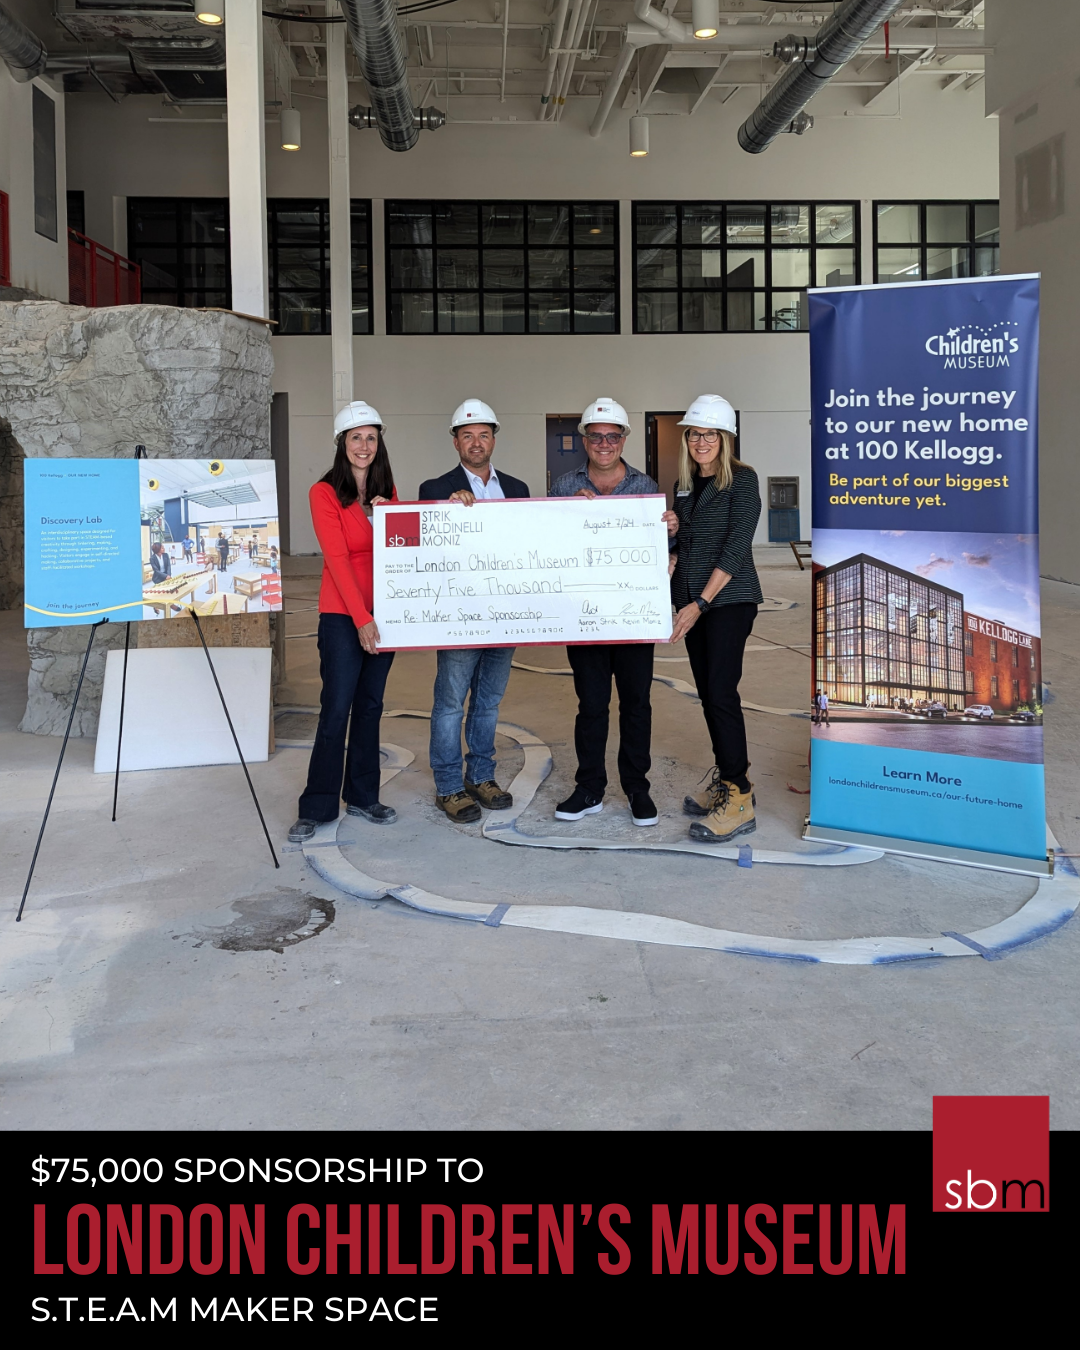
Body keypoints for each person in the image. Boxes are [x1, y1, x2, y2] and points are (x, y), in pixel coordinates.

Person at [549, 397, 679, 827]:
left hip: (633, 616)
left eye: (612, 436)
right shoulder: (564, 486)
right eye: (596, 436)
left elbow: (666, 554)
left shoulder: (646, 488)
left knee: (636, 704)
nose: (604, 443)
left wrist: (671, 532)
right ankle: (589, 789)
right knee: (591, 705)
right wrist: (568, 517)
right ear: (585, 440)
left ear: (623, 440)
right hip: (584, 615)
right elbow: (546, 547)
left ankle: (637, 788)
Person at [288, 400, 400, 842]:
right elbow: (336, 559)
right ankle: (317, 805)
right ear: (342, 443)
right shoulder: (324, 492)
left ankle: (363, 796)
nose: (365, 446)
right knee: (336, 709)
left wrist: (385, 513)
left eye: (371, 438)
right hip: (342, 616)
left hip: (385, 614)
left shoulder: (387, 492)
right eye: (356, 437)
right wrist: (361, 620)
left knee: (370, 707)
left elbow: (402, 546)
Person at [418, 399, 530, 824]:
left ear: (494, 440)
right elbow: (424, 546)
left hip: (505, 613)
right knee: (450, 703)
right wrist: (447, 508)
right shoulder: (435, 489)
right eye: (468, 435)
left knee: (488, 703)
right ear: (455, 442)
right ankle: (448, 786)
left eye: (484, 434)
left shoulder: (517, 489)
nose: (476, 442)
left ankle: (481, 777)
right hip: (459, 616)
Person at [669, 395, 763, 842]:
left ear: (725, 439)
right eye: (694, 433)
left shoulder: (743, 481)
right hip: (691, 600)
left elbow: (736, 545)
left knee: (722, 693)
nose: (701, 441)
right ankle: (728, 780)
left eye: (710, 434)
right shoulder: (684, 484)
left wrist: (700, 603)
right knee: (708, 694)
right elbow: (686, 544)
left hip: (726, 601)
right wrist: (669, 534)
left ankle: (740, 796)